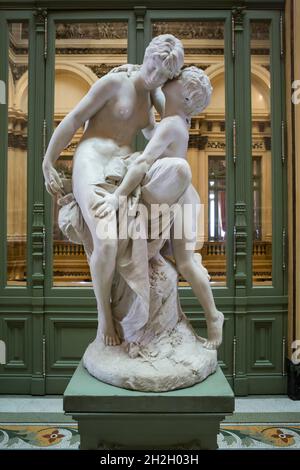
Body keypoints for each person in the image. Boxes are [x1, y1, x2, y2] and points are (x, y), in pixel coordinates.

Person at [42, 34, 188, 347]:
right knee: (106, 240)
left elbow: (162, 130)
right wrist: (48, 160)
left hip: (123, 162)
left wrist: (170, 100)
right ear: (146, 55)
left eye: (164, 73)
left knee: (137, 219)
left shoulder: (151, 98)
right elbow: (73, 119)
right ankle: (104, 315)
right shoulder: (113, 84)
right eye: (154, 65)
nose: (155, 75)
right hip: (92, 159)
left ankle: (137, 310)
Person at [92, 66, 224, 350]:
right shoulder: (177, 119)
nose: (171, 79)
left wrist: (118, 195)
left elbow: (142, 162)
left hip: (177, 198)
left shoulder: (172, 124)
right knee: (184, 262)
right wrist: (146, 80)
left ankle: (214, 317)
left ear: (186, 98)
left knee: (185, 261)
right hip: (182, 197)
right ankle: (207, 317)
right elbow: (154, 125)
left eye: (177, 80)